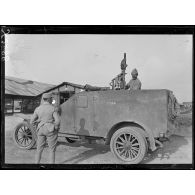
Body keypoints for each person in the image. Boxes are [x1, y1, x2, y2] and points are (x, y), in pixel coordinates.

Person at [30, 93, 60, 164]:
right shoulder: (53, 108)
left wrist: (38, 123)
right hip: (50, 130)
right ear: (49, 99)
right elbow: (58, 121)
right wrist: (56, 127)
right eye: (51, 98)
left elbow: (31, 121)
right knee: (52, 150)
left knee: (39, 149)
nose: (52, 100)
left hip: (40, 129)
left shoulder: (38, 108)